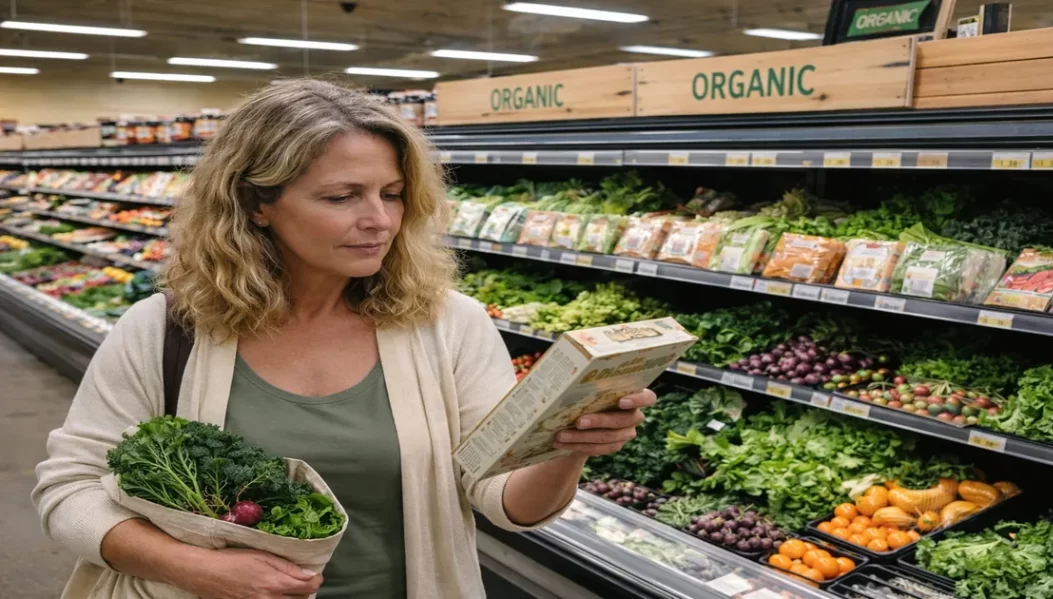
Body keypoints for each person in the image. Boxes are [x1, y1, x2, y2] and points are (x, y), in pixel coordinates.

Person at [32, 79, 656, 599]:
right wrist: (198, 569)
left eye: (391, 194)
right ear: (256, 204)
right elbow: (71, 490)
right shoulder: (167, 329)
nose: (379, 220)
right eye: (341, 196)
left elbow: (501, 499)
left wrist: (566, 445)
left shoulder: (449, 326)